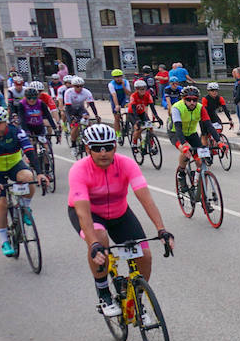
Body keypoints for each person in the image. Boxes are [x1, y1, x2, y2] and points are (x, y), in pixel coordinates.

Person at [70, 123, 174, 319]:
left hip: (119, 213)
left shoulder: (126, 164)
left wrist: (161, 229)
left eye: (108, 147)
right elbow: (83, 213)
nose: (103, 153)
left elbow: (146, 199)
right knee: (100, 240)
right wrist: (92, 243)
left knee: (145, 255)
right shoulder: (79, 170)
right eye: (97, 148)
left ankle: (135, 301)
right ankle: (103, 294)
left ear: (115, 147)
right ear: (87, 149)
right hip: (90, 214)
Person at [0, 104, 48, 257]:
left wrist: (41, 173)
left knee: (29, 178)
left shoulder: (16, 131)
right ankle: (4, 241)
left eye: (0, 123)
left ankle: (25, 207)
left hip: (15, 165)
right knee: (0, 204)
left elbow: (29, 151)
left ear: (6, 121)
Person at [169, 85, 213, 188]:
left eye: (194, 100)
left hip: (192, 134)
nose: (192, 102)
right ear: (183, 99)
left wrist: (219, 141)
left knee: (201, 163)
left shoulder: (200, 107)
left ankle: (203, 196)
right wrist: (184, 144)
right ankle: (181, 173)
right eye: (188, 100)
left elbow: (209, 125)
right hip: (176, 133)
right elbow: (178, 127)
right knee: (186, 151)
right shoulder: (177, 107)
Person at [12, 82, 60, 153]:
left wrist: (55, 128)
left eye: (34, 98)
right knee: (30, 144)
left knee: (45, 147)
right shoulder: (22, 104)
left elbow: (49, 116)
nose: (31, 100)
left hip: (38, 125)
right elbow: (22, 119)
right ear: (26, 97)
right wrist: (26, 131)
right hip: (28, 125)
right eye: (29, 98)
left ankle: (47, 163)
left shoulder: (41, 103)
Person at [107, 69, 131, 135]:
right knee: (117, 117)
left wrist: (123, 86)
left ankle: (127, 123)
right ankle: (117, 134)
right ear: (114, 78)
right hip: (115, 99)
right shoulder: (111, 84)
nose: (118, 79)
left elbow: (129, 93)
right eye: (116, 77)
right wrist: (117, 105)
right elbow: (114, 95)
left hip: (124, 98)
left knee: (129, 110)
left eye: (119, 77)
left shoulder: (126, 82)